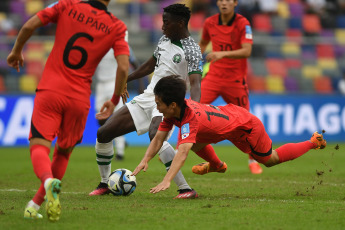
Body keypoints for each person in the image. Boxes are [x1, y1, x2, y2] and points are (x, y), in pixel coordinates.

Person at [7, 0, 129, 221]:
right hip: (79, 98)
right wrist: (113, 99)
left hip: (51, 90)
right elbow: (123, 66)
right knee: (63, 152)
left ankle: (46, 180)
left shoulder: (67, 5)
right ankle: (34, 204)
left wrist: (16, 51)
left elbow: (28, 26)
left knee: (39, 146)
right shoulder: (117, 26)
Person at [132, 75, 327, 194]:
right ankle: (217, 165)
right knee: (194, 142)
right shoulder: (174, 111)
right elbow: (159, 137)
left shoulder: (189, 119)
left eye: (158, 103)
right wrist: (145, 159)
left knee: (269, 159)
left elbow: (182, 153)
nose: (157, 107)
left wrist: (167, 181)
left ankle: (313, 141)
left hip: (246, 127)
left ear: (172, 104)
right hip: (230, 120)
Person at [90, 4, 203, 199]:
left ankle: (185, 189)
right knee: (104, 132)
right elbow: (150, 65)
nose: (162, 26)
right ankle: (105, 182)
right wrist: (127, 79)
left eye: (166, 22)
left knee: (155, 135)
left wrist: (195, 109)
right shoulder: (164, 39)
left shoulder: (192, 50)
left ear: (180, 23)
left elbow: (195, 84)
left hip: (168, 103)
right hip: (148, 97)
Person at [198, 0, 263, 174]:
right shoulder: (209, 22)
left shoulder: (242, 23)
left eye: (228, 0)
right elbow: (202, 44)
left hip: (235, 81)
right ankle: (179, 151)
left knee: (247, 122)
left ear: (235, 3)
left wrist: (222, 54)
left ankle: (252, 160)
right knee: (192, 110)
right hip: (213, 77)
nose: (224, 3)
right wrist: (195, 61)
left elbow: (247, 51)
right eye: (221, 0)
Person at [94, 47, 140, 161]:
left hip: (115, 82)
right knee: (100, 117)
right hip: (100, 84)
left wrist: (140, 83)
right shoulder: (99, 44)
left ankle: (120, 152)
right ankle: (120, 140)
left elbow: (133, 63)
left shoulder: (121, 44)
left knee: (117, 117)